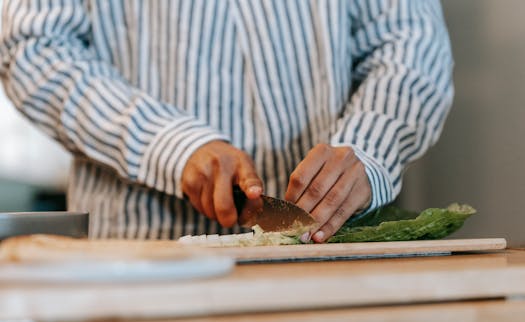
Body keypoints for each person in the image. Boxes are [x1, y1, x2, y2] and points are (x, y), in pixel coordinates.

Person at [0, 1, 453, 243]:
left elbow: (410, 45)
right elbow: (35, 49)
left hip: (329, 256)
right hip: (143, 258)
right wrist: (170, 145)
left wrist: (368, 148)